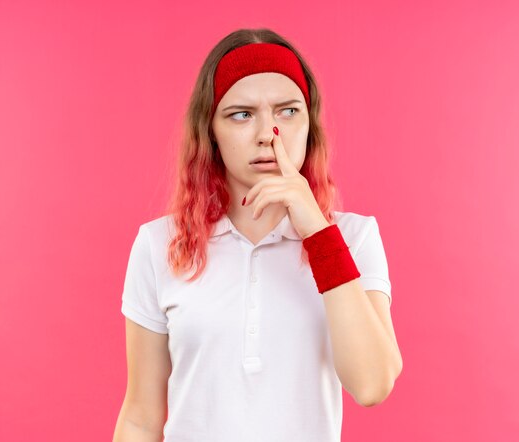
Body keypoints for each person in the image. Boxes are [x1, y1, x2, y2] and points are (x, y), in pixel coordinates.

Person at [113, 28, 402, 442]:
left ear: (309, 124)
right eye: (242, 114)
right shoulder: (160, 245)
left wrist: (317, 232)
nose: (268, 133)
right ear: (211, 130)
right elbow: (141, 418)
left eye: (287, 111)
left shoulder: (353, 237)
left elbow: (373, 383)